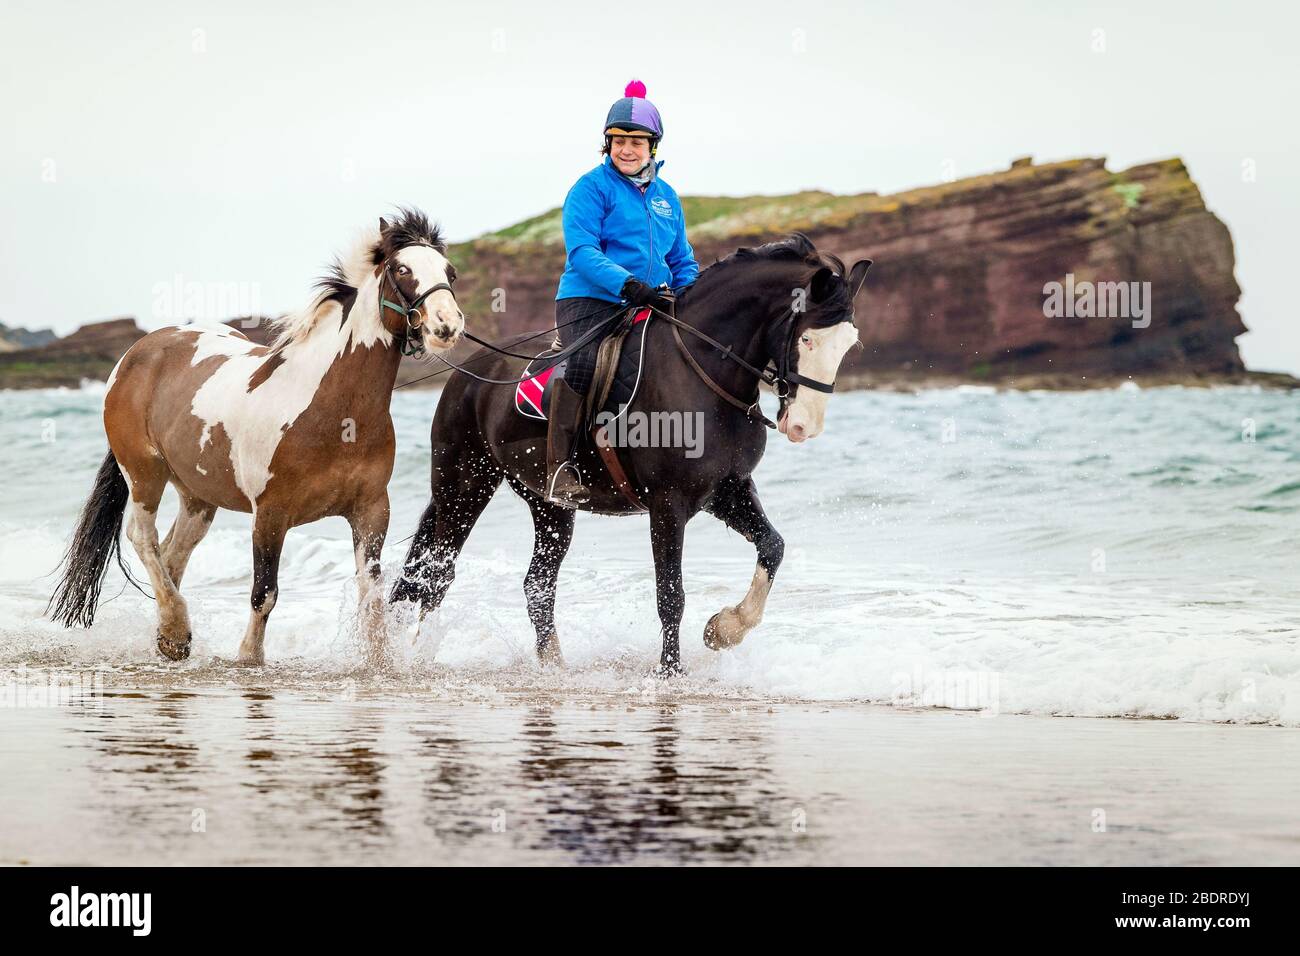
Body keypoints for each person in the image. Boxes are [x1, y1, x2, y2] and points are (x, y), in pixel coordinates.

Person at [546, 79, 699, 507]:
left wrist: (692, 296)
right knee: (583, 362)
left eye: (636, 141)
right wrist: (628, 284)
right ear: (607, 144)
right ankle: (562, 467)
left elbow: (682, 258)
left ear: (653, 145)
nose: (627, 149)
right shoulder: (590, 188)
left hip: (652, 299)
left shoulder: (668, 197)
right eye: (618, 141)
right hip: (589, 299)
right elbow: (582, 252)